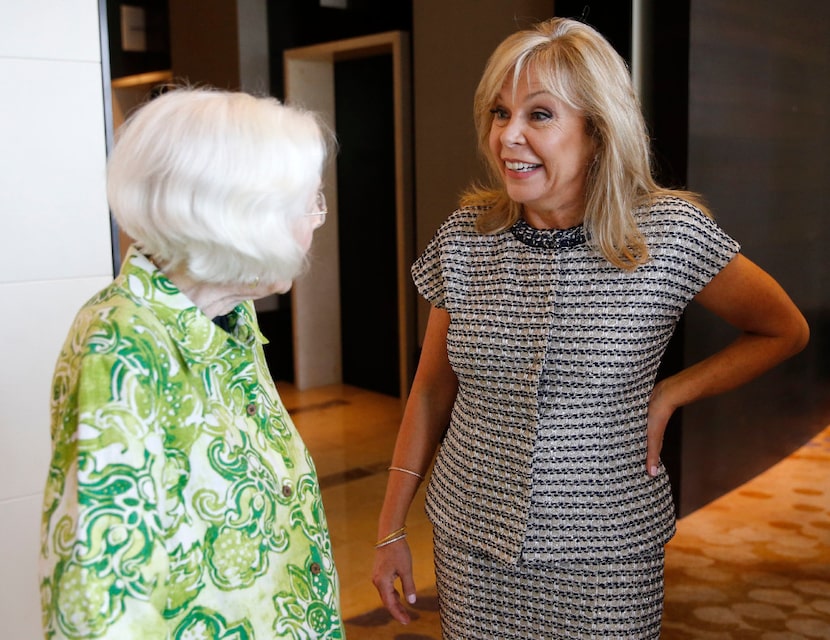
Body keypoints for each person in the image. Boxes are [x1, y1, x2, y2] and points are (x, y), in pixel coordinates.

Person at [372, 17, 809, 639]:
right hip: (472, 543)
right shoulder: (466, 239)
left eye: (540, 115)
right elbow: (431, 392)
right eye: (500, 113)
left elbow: (783, 329)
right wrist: (390, 528)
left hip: (609, 549)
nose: (509, 137)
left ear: (597, 132)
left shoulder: (670, 233)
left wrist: (672, 392)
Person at [39, 87, 344, 639]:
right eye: (308, 203)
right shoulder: (121, 344)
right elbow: (99, 598)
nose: (316, 221)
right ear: (238, 217)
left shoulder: (231, 315)